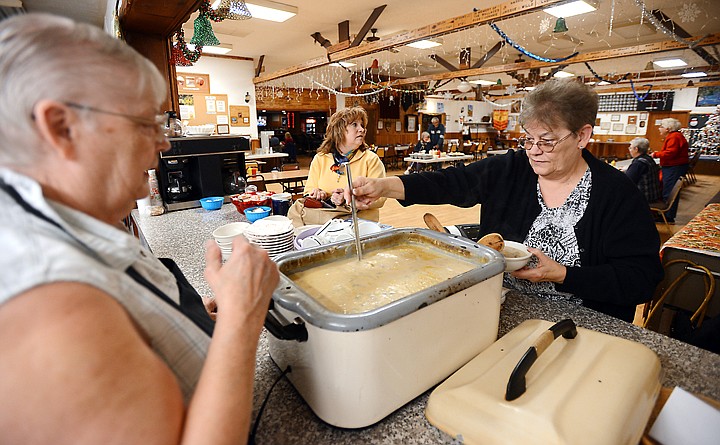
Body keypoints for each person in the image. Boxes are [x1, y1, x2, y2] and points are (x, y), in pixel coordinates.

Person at [0, 13, 279, 444]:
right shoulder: (48, 313)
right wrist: (242, 318)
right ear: (62, 128)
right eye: (146, 123)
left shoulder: (58, 226)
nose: (164, 142)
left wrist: (178, 321)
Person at [347, 79, 663, 322]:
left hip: (579, 325)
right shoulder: (512, 168)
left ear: (582, 136)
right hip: (498, 307)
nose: (534, 150)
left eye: (548, 141)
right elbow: (453, 182)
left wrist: (563, 275)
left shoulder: (616, 194)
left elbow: (642, 279)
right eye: (528, 138)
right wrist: (384, 186)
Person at [302, 106, 386, 221]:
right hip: (325, 223)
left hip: (362, 225)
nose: (361, 129)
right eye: (354, 125)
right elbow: (308, 192)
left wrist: (349, 198)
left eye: (362, 125)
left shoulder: (371, 160)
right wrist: (318, 194)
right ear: (339, 130)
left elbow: (381, 197)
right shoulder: (320, 159)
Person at [651, 118, 689, 224]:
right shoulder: (675, 136)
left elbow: (670, 153)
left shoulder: (674, 137)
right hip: (673, 166)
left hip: (674, 167)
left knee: (670, 190)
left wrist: (656, 154)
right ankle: (666, 215)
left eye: (661, 126)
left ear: (668, 128)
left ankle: (668, 217)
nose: (659, 129)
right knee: (668, 189)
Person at [625, 137, 662, 203]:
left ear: (636, 149)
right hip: (654, 195)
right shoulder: (649, 158)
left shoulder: (638, 163)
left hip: (645, 198)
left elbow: (627, 181)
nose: (629, 150)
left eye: (630, 148)